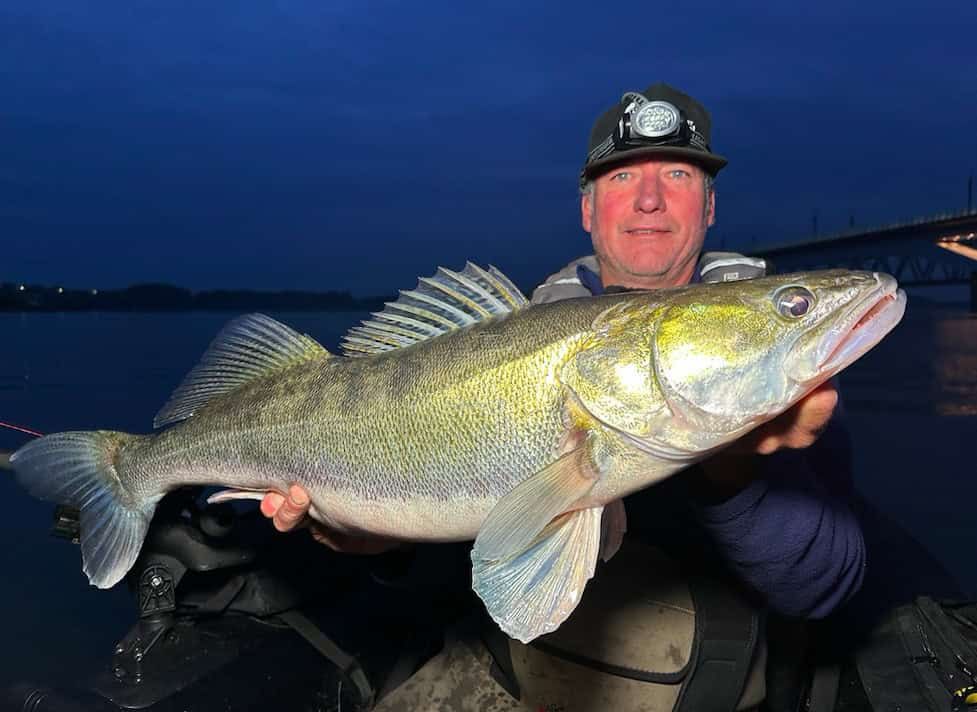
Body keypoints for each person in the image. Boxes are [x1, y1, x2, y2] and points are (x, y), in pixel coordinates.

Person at [261, 82, 864, 623]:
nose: (649, 199)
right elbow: (459, 571)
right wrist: (376, 538)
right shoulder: (507, 338)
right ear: (587, 210)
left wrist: (737, 470)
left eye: (678, 175)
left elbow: (823, 591)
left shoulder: (776, 369)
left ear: (709, 208)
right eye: (622, 176)